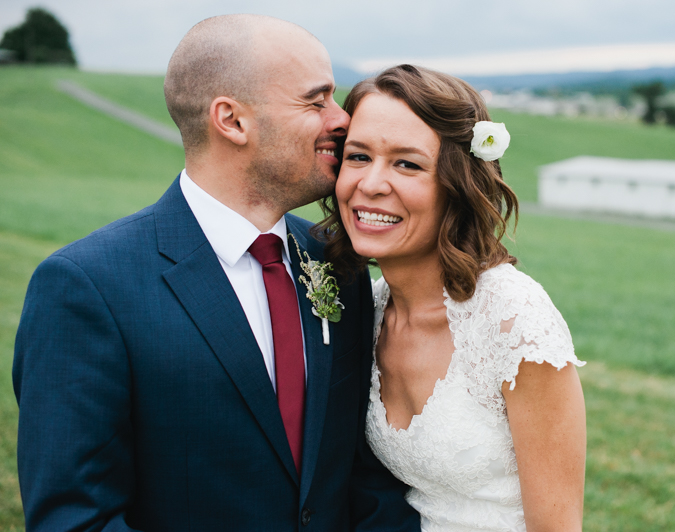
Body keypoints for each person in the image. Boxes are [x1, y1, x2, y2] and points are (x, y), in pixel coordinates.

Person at [13, 16, 419, 532]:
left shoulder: (337, 263)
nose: (342, 121)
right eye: (317, 101)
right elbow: (75, 520)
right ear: (231, 121)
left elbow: (365, 472)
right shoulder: (86, 288)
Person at [318, 64, 587, 531]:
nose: (372, 183)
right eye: (358, 157)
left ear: (457, 185)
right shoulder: (370, 308)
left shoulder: (512, 320)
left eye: (407, 163)